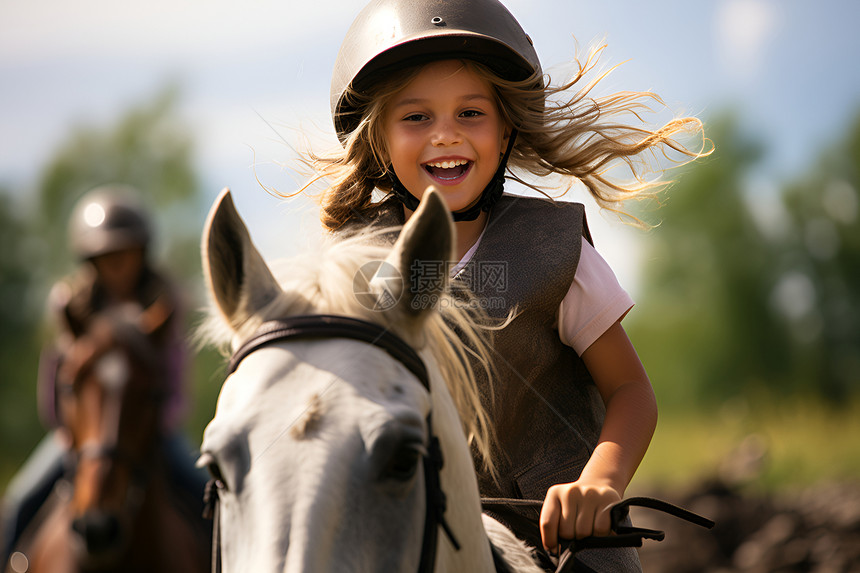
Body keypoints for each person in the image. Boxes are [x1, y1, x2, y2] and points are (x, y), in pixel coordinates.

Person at [297, 1, 709, 571]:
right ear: (379, 140)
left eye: (470, 113)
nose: (445, 135)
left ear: (506, 128)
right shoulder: (351, 265)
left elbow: (631, 393)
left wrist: (598, 487)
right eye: (416, 117)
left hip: (560, 549)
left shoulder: (559, 253)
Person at [0, 185, 207, 565]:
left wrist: (158, 423)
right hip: (79, 435)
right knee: (20, 499)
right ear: (91, 260)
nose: (117, 264)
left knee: (208, 495)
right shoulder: (73, 309)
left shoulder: (163, 305)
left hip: (152, 430)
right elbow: (55, 381)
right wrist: (69, 430)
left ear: (141, 254)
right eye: (107, 256)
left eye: (124, 254)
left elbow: (176, 379)